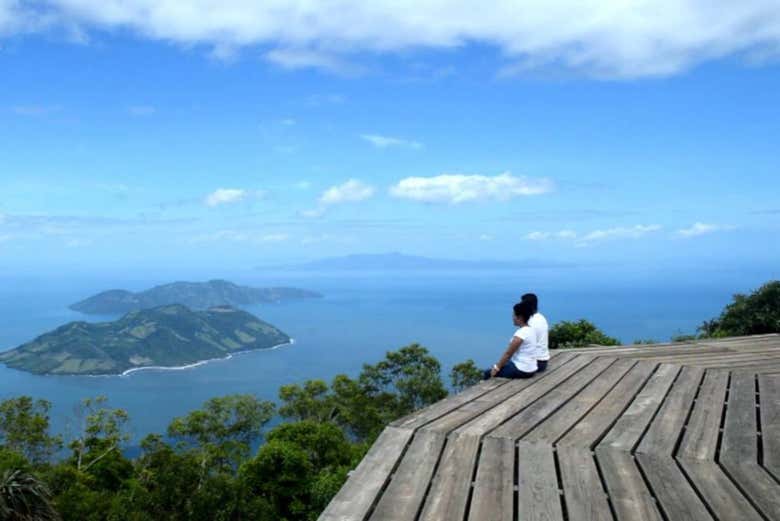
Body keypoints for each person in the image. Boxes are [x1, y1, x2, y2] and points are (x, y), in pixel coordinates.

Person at [483, 301, 538, 379]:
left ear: (520, 317)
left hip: (522, 370)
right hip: (531, 368)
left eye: (514, 315)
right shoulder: (531, 330)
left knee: (487, 373)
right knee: (502, 364)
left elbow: (508, 354)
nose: (512, 318)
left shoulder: (521, 334)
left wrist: (496, 368)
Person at [522, 293, 550, 372]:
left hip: (534, 363)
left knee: (491, 371)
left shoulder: (530, 322)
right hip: (543, 361)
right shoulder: (541, 318)